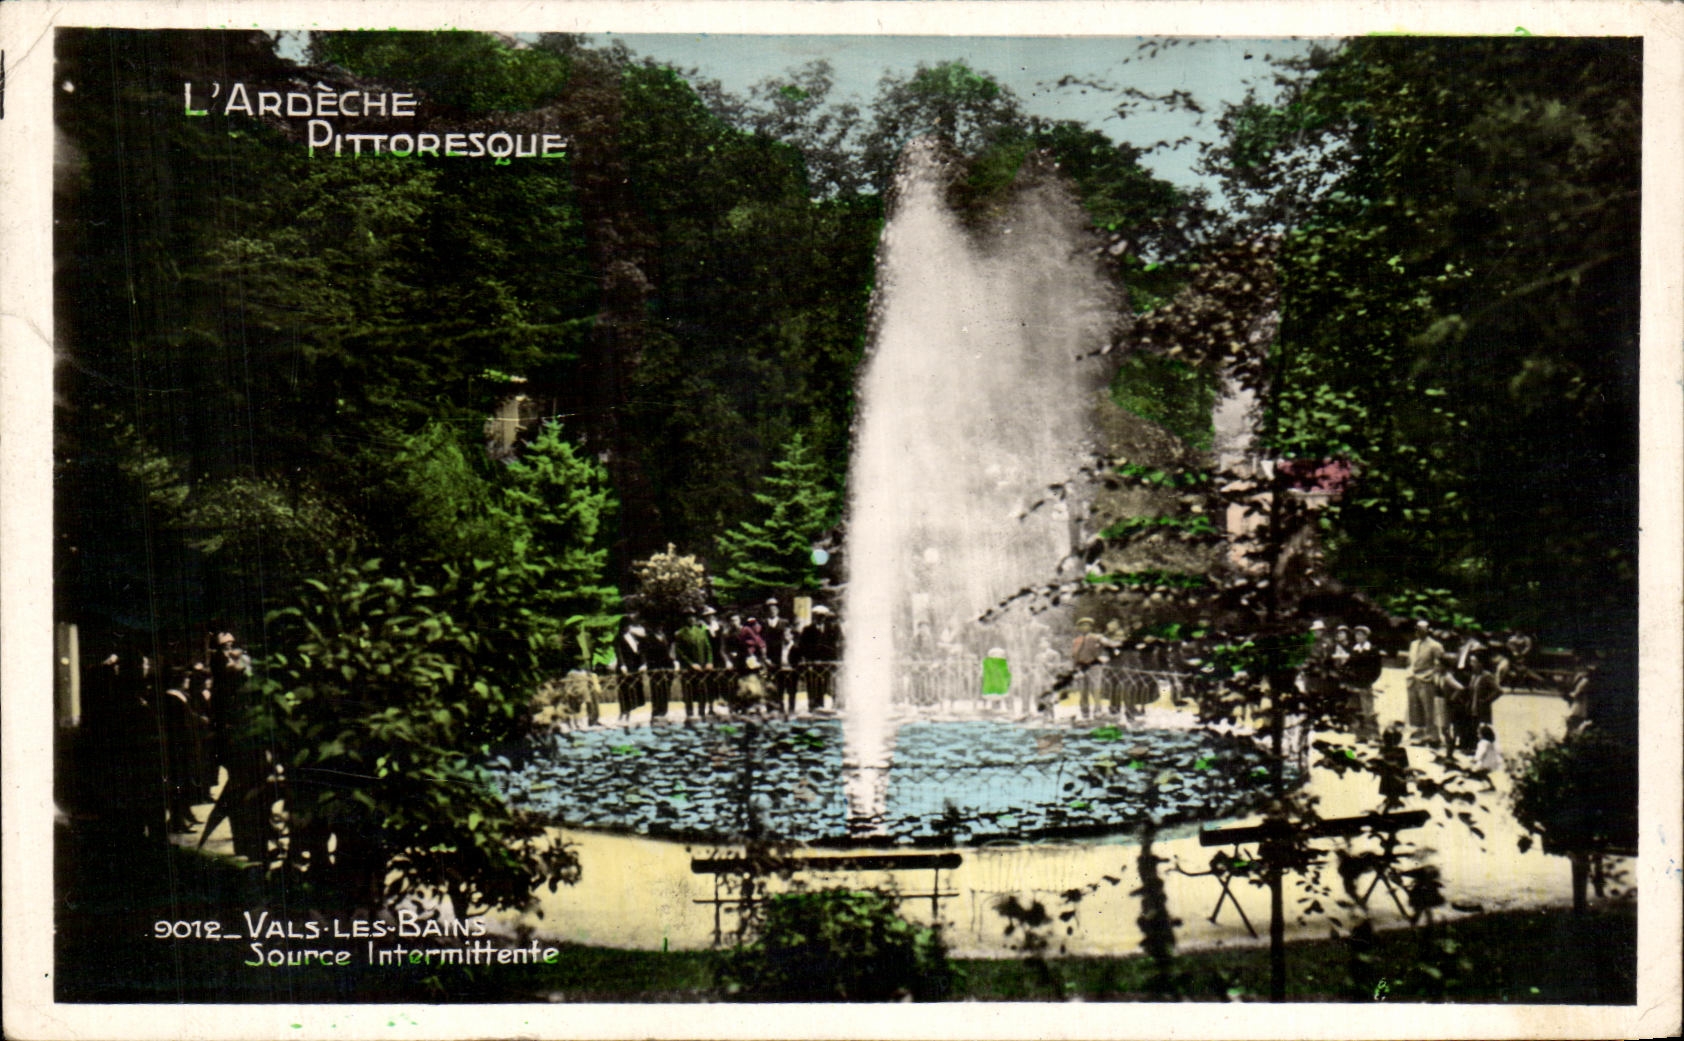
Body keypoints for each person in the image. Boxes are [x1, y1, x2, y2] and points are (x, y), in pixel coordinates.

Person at [1405, 620, 1445, 745]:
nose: (1418, 632)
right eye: (1417, 629)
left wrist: (1432, 676)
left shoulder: (1435, 645)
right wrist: (1409, 673)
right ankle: (1419, 734)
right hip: (1413, 679)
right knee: (1414, 708)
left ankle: (1432, 736)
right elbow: (1410, 661)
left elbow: (1440, 664)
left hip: (1426, 680)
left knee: (1429, 709)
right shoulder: (1413, 644)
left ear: (1428, 630)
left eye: (1422, 629)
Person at [1343, 625, 1383, 742]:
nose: (1358, 637)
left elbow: (1377, 669)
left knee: (1368, 710)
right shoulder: (1354, 650)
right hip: (1355, 684)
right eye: (1356, 635)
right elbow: (1348, 666)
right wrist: (1348, 679)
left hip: (1365, 683)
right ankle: (1360, 735)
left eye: (1361, 634)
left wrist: (1369, 680)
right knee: (1357, 709)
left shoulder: (1372, 650)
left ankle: (1373, 735)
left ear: (1366, 636)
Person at [673, 613, 715, 720]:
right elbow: (679, 652)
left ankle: (702, 712)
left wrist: (709, 662)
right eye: (689, 617)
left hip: (702, 666)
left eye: (694, 617)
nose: (692, 619)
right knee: (688, 691)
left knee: (702, 690)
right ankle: (689, 713)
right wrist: (691, 664)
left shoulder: (701, 631)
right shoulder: (680, 633)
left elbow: (708, 648)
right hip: (688, 667)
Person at [796, 606, 837, 710]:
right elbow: (803, 646)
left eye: (823, 617)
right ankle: (812, 706)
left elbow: (833, 646)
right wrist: (808, 658)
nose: (821, 619)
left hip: (826, 663)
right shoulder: (807, 630)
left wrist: (831, 660)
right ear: (814, 617)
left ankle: (821, 706)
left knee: (824, 684)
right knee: (812, 684)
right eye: (818, 617)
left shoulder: (830, 629)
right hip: (812, 663)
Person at [761, 598, 798, 716]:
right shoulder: (763, 623)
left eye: (774, 608)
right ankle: (773, 708)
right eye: (770, 609)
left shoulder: (784, 622)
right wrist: (765, 657)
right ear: (767, 610)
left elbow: (791, 635)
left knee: (787, 684)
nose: (772, 611)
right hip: (770, 657)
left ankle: (789, 708)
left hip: (782, 654)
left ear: (777, 610)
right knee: (771, 684)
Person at [1071, 618, 1106, 719]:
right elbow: (1074, 655)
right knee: (1083, 690)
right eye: (1082, 626)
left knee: (1095, 689)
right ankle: (1085, 712)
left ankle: (1098, 711)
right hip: (1081, 667)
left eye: (1087, 626)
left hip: (1094, 666)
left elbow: (1103, 652)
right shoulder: (1076, 640)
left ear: (1091, 627)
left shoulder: (1096, 638)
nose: (1084, 628)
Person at [1377, 724, 1411, 811]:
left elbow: (1380, 762)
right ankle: (1393, 799)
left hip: (1391, 773)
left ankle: (1393, 799)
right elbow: (1405, 764)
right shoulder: (1400, 750)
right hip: (1393, 773)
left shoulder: (1385, 749)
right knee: (1393, 783)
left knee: (1392, 784)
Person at [1472, 723, 1503, 787]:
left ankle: (1484, 785)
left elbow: (1480, 753)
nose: (1478, 735)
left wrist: (1475, 759)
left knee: (1473, 772)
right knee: (1485, 774)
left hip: (1485, 764)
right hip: (1493, 763)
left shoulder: (1483, 743)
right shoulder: (1491, 743)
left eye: (1479, 734)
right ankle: (1491, 785)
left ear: (1483, 734)